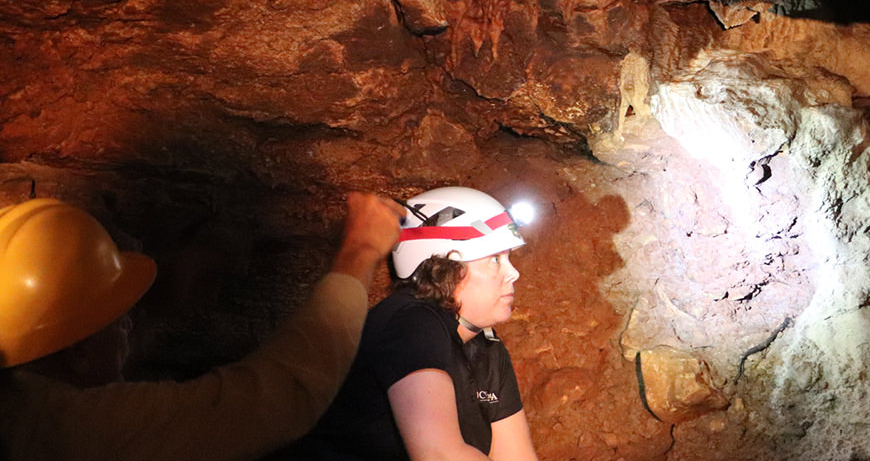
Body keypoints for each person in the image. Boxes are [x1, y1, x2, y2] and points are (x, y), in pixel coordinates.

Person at [0, 192, 406, 460]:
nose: (130, 323)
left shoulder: (19, 396)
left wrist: (162, 299)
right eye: (118, 320)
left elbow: (92, 354)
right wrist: (360, 252)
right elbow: (275, 400)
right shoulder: (67, 429)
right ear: (79, 352)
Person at [285, 186, 539, 461]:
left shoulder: (488, 349)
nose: (513, 273)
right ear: (447, 266)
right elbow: (439, 455)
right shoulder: (410, 323)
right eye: (495, 259)